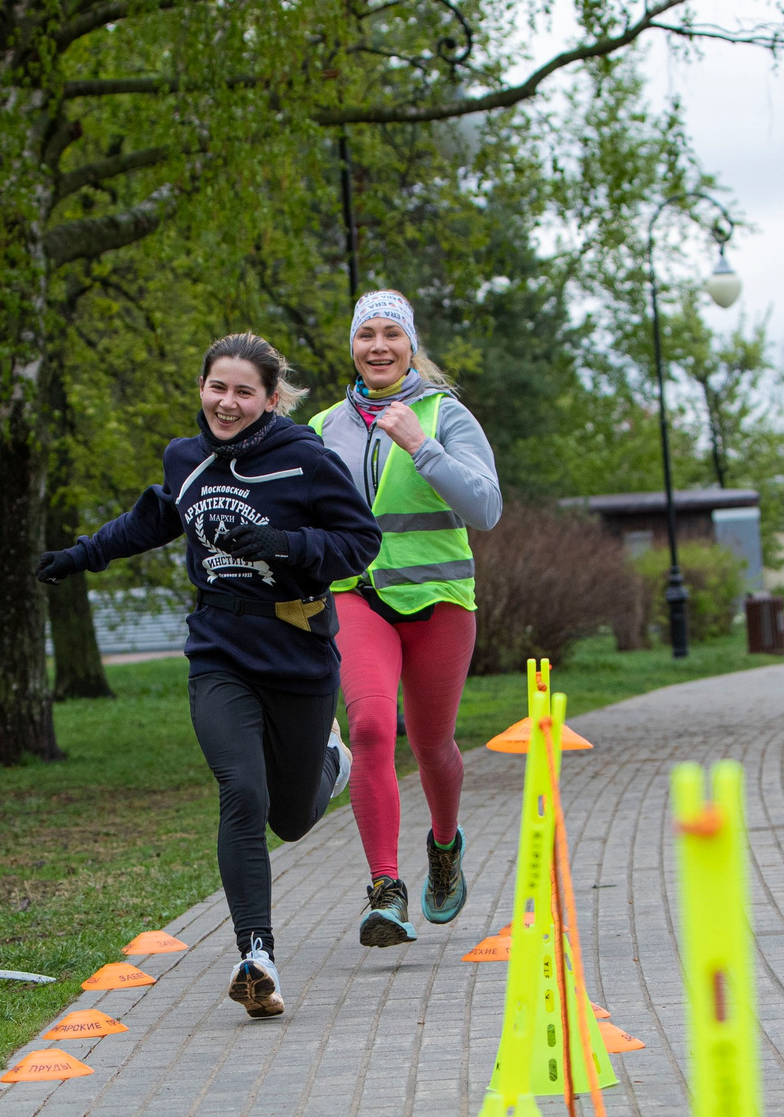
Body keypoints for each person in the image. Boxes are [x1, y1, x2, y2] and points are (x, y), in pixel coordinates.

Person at [37, 333, 381, 1018]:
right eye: (216, 387)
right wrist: (82, 556)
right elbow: (153, 517)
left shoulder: (305, 459)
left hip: (297, 651)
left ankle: (329, 762)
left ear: (270, 398)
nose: (227, 402)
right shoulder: (187, 458)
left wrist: (287, 544)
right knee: (240, 791)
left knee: (288, 815)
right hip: (219, 649)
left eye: (243, 391)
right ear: (202, 388)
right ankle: (257, 954)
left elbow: (359, 541)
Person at [308, 289, 502, 945]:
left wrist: (423, 447)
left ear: (410, 344)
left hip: (440, 602)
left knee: (431, 745)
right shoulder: (325, 425)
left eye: (392, 333)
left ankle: (445, 845)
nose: (379, 346)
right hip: (357, 596)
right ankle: (385, 887)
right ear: (352, 346)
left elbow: (485, 508)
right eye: (367, 334)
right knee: (367, 727)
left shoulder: (445, 414)